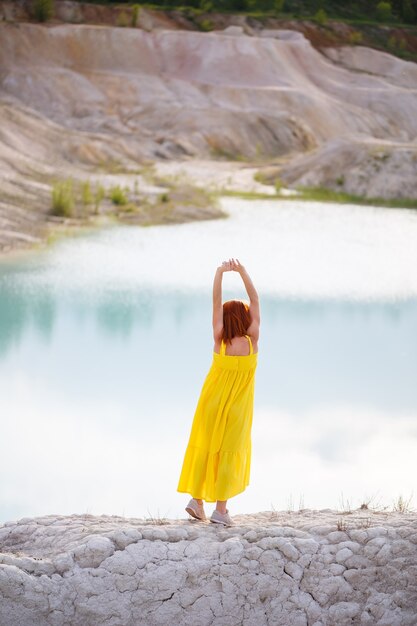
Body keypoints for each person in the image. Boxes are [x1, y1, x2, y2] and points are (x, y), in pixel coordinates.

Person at [177, 258, 260, 526]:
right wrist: (244, 272)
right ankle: (220, 511)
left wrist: (219, 274)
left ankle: (197, 500)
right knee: (228, 452)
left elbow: (215, 302)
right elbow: (256, 300)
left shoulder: (219, 338)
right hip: (237, 407)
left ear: (225, 318)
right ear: (246, 318)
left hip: (211, 401)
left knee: (206, 447)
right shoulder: (252, 340)